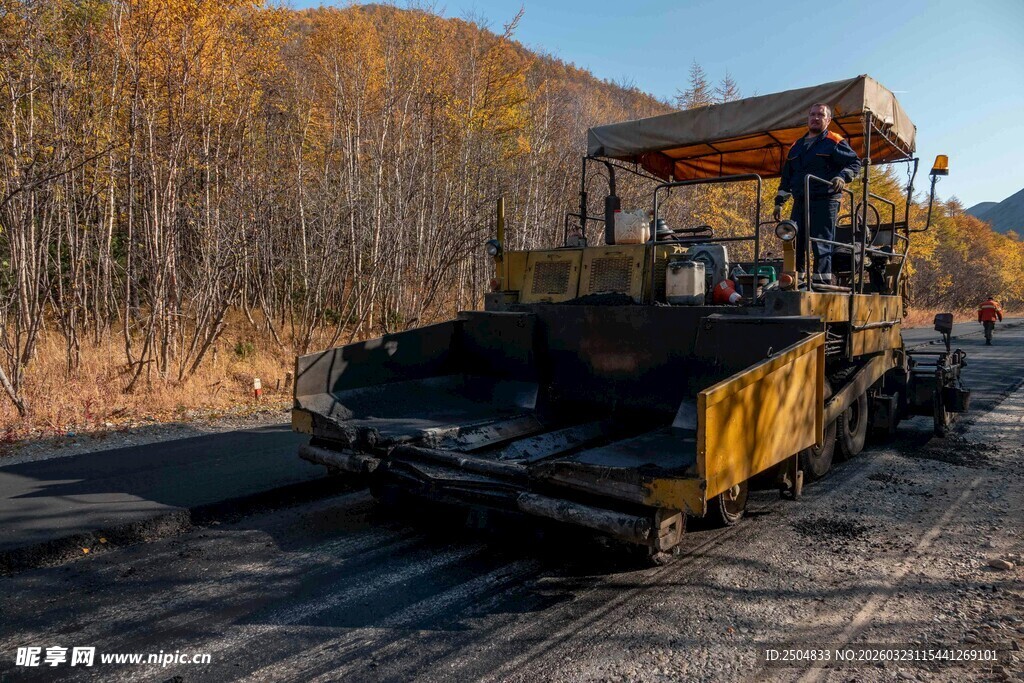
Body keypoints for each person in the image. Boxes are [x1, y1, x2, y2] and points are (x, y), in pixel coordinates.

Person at [773, 103, 862, 284]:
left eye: (820, 115)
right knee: (795, 240)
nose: (815, 118)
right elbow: (787, 176)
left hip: (825, 199)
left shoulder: (834, 141)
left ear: (828, 120)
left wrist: (842, 177)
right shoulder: (796, 146)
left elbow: (855, 163)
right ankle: (797, 281)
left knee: (821, 241)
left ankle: (821, 283)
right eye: (812, 114)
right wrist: (779, 201)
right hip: (800, 201)